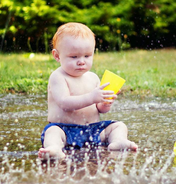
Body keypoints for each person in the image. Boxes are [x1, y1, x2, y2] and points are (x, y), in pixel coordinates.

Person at [38, 22, 138, 159]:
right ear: (57, 56)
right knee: (52, 131)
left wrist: (105, 103)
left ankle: (118, 141)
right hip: (65, 131)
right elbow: (64, 103)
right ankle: (54, 148)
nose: (81, 61)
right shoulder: (58, 77)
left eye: (87, 56)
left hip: (93, 130)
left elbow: (100, 109)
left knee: (118, 126)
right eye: (74, 57)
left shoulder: (93, 77)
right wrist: (92, 97)